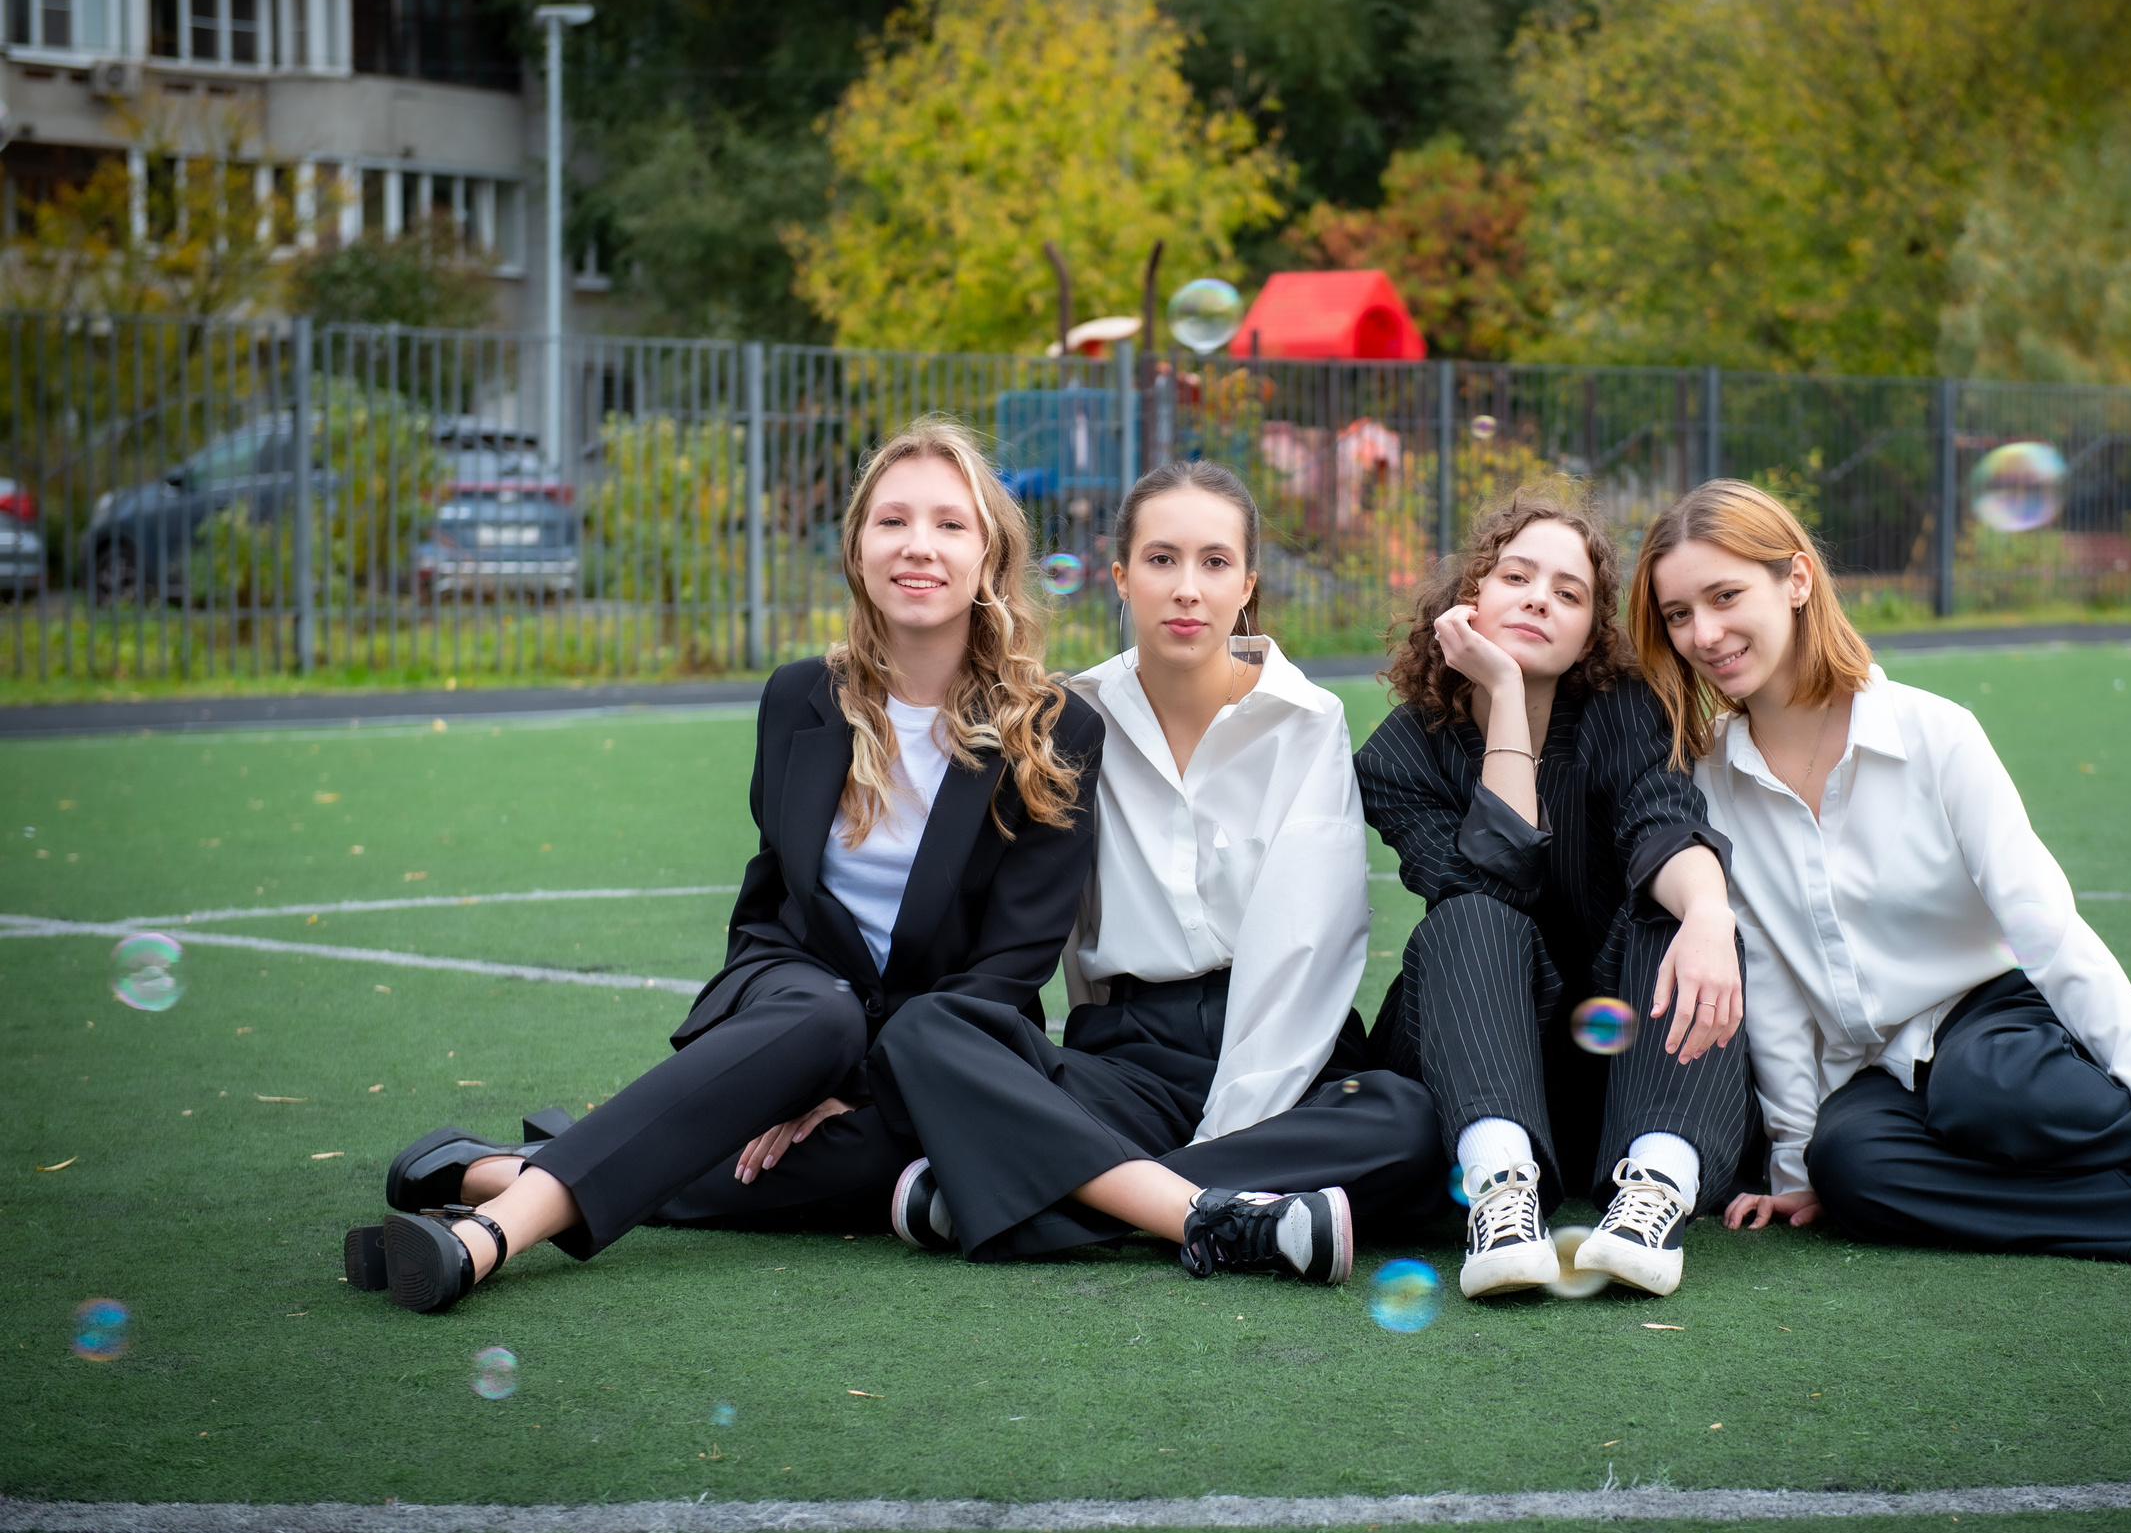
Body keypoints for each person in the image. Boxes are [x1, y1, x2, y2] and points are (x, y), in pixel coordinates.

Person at [350, 415, 1111, 1313]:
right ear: (858, 548)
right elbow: (769, 901)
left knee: (882, 1161)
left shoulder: (1055, 729)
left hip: (947, 1039)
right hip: (792, 998)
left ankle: (496, 1172)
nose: (919, 546)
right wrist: (810, 1062)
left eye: (950, 524)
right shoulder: (799, 698)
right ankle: (487, 1239)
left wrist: (859, 1084)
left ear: (991, 556)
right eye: (892, 521)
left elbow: (1011, 968)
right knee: (821, 1019)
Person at [1631, 479, 2131, 1260]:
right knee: (1852, 1172)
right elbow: (1768, 976)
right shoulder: (1713, 781)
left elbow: (2051, 934)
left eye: (1725, 595)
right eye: (1678, 614)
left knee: (1983, 1090)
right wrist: (1797, 1161)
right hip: (1880, 1068)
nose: (1704, 632)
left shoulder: (1934, 734)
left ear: (1796, 579)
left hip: (1993, 1021)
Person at [876, 461, 1448, 1279]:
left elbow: (1306, 947)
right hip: (1127, 1057)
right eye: (1161, 559)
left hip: (1284, 1045)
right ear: (1119, 577)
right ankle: (1226, 1213)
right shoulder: (1066, 718)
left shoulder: (1307, 720)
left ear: (1247, 582)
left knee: (1408, 1122)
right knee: (927, 1032)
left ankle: (1032, 1194)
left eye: (1215, 562)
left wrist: (1229, 1128)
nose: (1188, 588)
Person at [1356, 491, 1760, 1301]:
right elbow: (1491, 883)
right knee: (1470, 914)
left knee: (1677, 913)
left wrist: (1712, 915)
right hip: (1473, 1064)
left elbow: (1665, 827)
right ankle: (1500, 1197)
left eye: (1569, 593)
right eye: (1516, 576)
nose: (1540, 597)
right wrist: (1505, 693)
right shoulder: (1401, 755)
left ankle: (1655, 1190)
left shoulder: (1621, 712)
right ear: (1469, 598)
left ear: (1589, 636)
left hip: (1623, 1080)